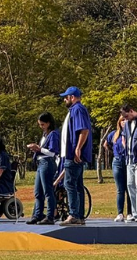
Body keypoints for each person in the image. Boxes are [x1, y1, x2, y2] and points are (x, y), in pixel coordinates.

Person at [58, 86, 92, 226]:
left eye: (66, 97)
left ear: (72, 97)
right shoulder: (75, 110)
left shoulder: (77, 109)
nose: (65, 99)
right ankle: (79, 215)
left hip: (73, 154)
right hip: (72, 153)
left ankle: (73, 214)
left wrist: (78, 148)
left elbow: (84, 130)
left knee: (69, 184)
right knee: (77, 185)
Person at [27, 112, 60, 225]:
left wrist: (38, 148)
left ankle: (50, 216)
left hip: (47, 162)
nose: (41, 127)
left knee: (48, 191)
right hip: (41, 163)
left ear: (48, 123)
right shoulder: (45, 135)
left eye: (42, 124)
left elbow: (52, 152)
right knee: (38, 192)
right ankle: (38, 214)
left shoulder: (53, 134)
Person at [121, 104, 137, 221]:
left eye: (127, 116)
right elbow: (124, 137)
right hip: (130, 159)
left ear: (131, 111)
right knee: (130, 185)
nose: (126, 119)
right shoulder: (127, 124)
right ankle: (135, 213)